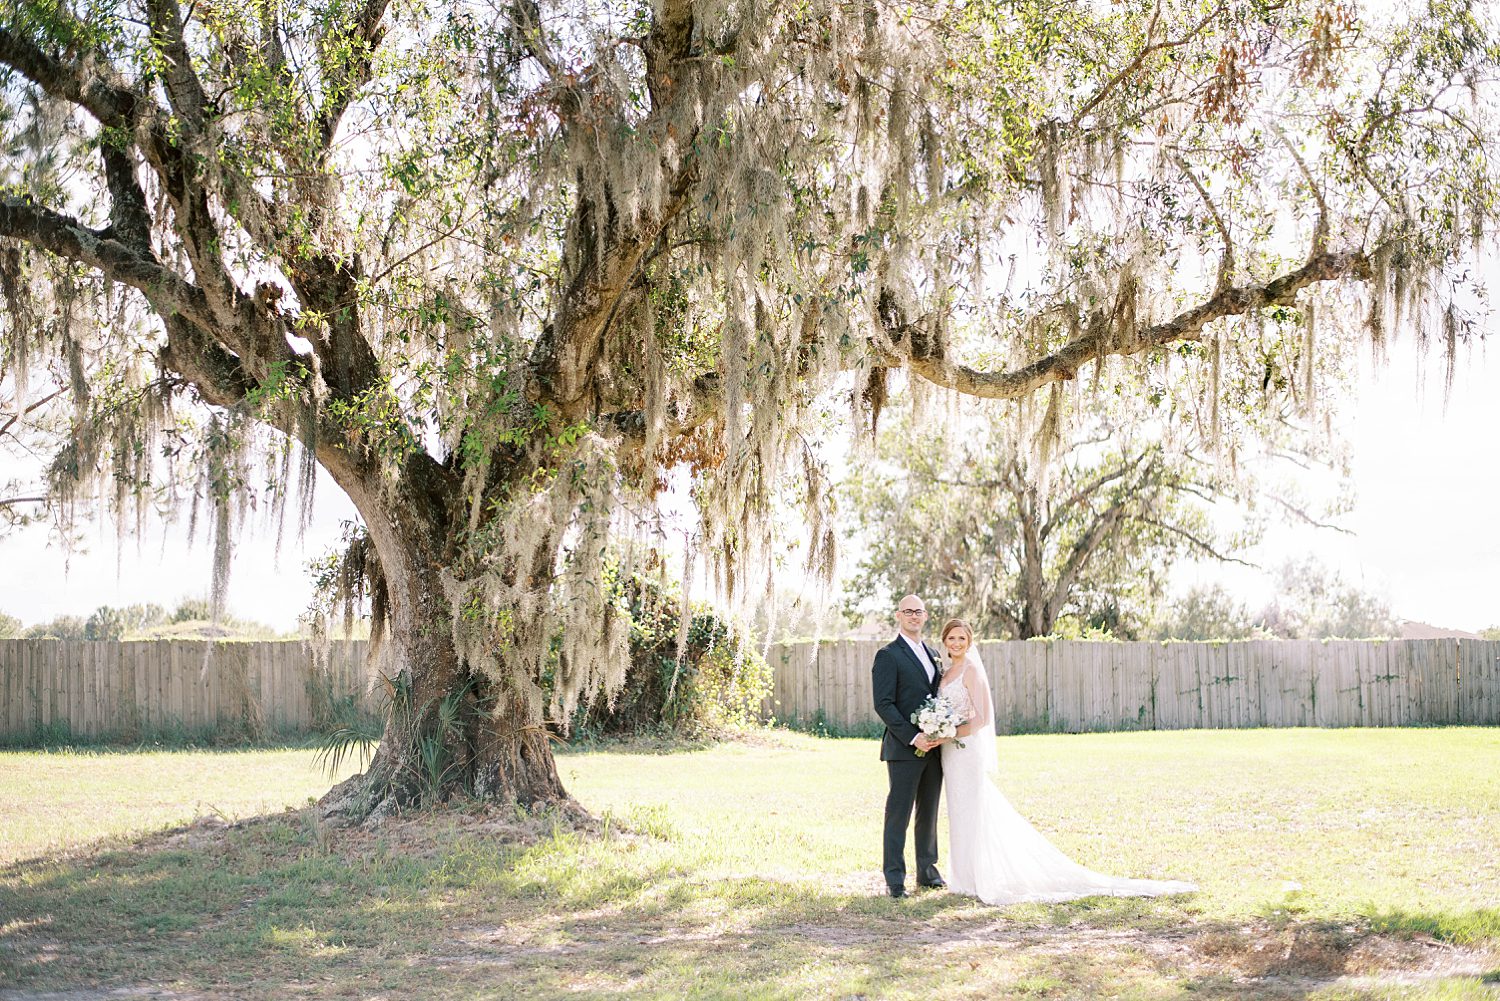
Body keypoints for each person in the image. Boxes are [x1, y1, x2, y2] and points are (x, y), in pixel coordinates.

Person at [933, 618, 1198, 905]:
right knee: (958, 811)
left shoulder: (972, 671)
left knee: (973, 810)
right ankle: (961, 877)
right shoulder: (946, 674)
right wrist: (939, 730)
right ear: (945, 642)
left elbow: (982, 718)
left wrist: (948, 734)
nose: (957, 643)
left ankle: (974, 878)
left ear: (969, 642)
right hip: (949, 753)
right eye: (952, 639)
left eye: (962, 638)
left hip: (965, 749)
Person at [871, 594, 947, 898]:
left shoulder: (933, 654)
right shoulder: (888, 655)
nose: (914, 616)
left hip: (936, 747)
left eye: (919, 612)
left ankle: (927, 874)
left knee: (928, 812)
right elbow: (884, 704)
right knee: (898, 814)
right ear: (899, 616)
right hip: (904, 749)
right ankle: (895, 880)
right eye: (908, 611)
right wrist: (913, 736)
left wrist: (940, 731)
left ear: (925, 616)